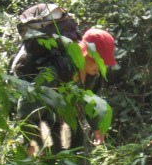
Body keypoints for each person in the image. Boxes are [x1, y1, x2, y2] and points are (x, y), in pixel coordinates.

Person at [13, 27, 117, 156]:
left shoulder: (93, 73)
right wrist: (32, 142)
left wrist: (97, 127)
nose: (101, 67)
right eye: (99, 61)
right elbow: (26, 108)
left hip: (73, 125)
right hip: (49, 127)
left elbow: (91, 101)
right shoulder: (59, 69)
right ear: (86, 54)